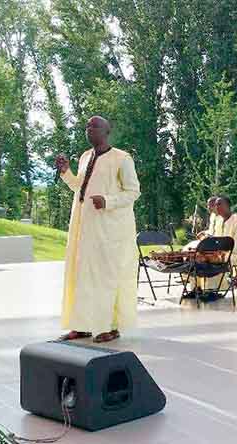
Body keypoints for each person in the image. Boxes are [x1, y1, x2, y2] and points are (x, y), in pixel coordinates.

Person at [55, 116, 141, 343]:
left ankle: (109, 327)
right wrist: (66, 173)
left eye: (94, 126)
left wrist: (108, 201)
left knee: (106, 278)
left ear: (106, 131)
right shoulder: (85, 157)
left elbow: (133, 192)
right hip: (84, 228)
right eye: (87, 126)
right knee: (82, 276)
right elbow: (79, 188)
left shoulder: (122, 158)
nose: (89, 129)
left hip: (110, 231)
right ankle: (82, 326)